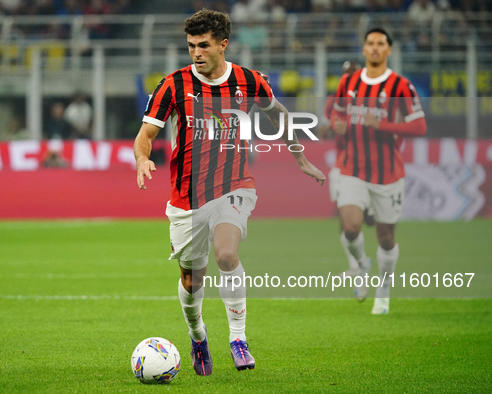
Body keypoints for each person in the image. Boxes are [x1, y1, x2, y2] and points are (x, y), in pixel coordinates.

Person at [134, 9, 325, 376]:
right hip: (187, 199)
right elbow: (145, 135)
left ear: (223, 44)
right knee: (192, 281)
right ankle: (197, 335)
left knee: (226, 253)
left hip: (234, 187)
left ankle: (238, 338)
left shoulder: (249, 81)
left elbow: (278, 114)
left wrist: (299, 156)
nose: (196, 53)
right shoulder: (173, 85)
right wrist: (142, 159)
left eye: (203, 45)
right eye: (191, 46)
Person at [331, 28, 427, 315]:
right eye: (370, 43)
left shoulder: (400, 86)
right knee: (350, 227)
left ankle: (383, 291)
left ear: (388, 50)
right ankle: (361, 264)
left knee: (385, 238)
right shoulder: (348, 82)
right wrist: (338, 123)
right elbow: (337, 111)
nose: (374, 48)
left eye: (380, 44)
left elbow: (419, 126)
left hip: (387, 174)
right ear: (364, 49)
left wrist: (382, 125)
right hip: (352, 168)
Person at [318, 60, 375, 300]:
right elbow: (325, 129)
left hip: (372, 166)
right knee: (347, 221)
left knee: (370, 220)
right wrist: (331, 127)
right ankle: (357, 266)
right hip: (343, 166)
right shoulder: (335, 100)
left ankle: (363, 262)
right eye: (344, 74)